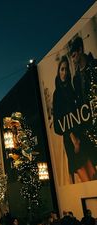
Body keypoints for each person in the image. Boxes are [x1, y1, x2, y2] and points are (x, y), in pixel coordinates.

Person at [52, 55, 95, 183]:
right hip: (71, 140)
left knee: (93, 174)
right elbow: (59, 123)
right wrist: (72, 138)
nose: (64, 73)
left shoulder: (71, 89)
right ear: (58, 71)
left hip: (80, 136)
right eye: (62, 69)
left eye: (66, 69)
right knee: (85, 177)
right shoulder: (57, 94)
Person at [70, 36, 97, 172]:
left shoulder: (94, 66)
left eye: (74, 55)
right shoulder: (76, 78)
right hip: (87, 124)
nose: (73, 60)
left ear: (80, 50)